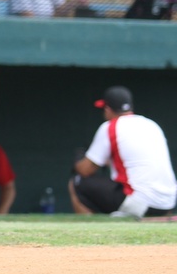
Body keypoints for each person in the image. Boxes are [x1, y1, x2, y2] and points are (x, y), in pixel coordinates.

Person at [69, 86, 177, 218]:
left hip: (140, 202)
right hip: (167, 203)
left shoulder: (110, 126)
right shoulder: (151, 125)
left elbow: (85, 170)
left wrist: (78, 160)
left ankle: (87, 230)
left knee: (77, 182)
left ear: (108, 109)